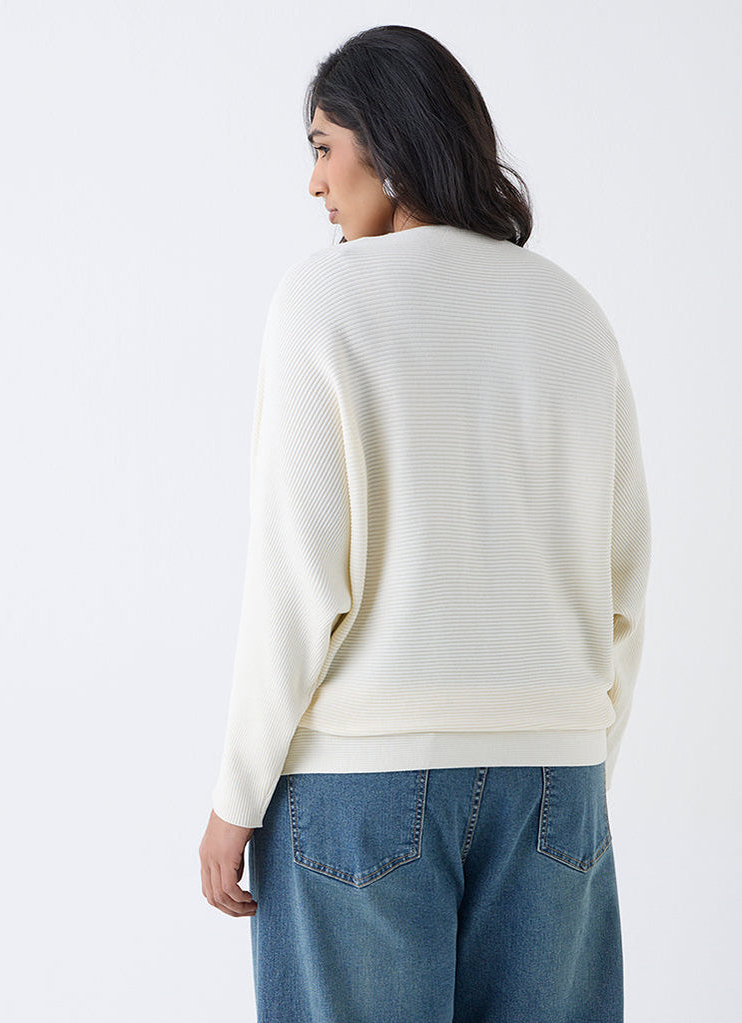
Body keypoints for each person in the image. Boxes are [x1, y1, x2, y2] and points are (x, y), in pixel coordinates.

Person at [198, 24, 651, 1023]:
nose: (314, 183)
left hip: (362, 783)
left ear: (388, 139)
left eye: (324, 146)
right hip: (555, 776)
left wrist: (236, 796)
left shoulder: (323, 300)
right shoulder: (571, 311)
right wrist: (572, 757)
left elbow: (296, 577)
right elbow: (622, 578)